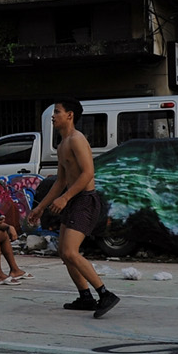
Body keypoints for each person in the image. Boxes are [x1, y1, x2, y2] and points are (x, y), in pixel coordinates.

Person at [25, 99, 119, 318]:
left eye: (57, 112)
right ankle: (85, 296)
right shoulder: (62, 144)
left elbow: (88, 173)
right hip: (73, 199)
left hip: (84, 199)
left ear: (70, 115)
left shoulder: (77, 140)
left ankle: (105, 294)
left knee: (70, 251)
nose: (53, 116)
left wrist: (66, 198)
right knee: (64, 253)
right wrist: (40, 208)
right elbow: (60, 181)